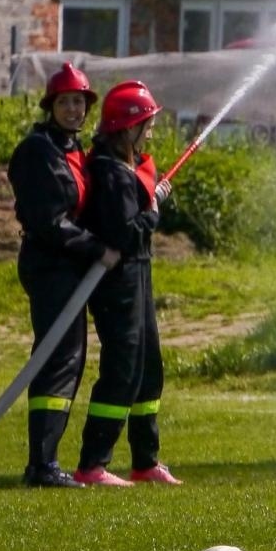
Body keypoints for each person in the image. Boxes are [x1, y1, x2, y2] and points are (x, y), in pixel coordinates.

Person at [7, 62, 120, 488]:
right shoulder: (38, 151)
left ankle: (46, 462)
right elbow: (48, 220)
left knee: (68, 362)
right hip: (51, 267)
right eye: (66, 102)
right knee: (58, 362)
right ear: (50, 105)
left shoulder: (73, 149)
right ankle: (41, 466)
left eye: (80, 102)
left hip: (70, 268)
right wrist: (97, 248)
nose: (74, 109)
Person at [74, 79, 181, 486]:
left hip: (139, 275)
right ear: (128, 127)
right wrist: (155, 209)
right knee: (123, 370)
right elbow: (124, 233)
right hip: (118, 282)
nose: (150, 130)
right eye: (147, 123)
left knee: (148, 368)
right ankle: (92, 465)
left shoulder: (124, 169)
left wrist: (152, 195)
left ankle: (145, 461)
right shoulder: (110, 173)